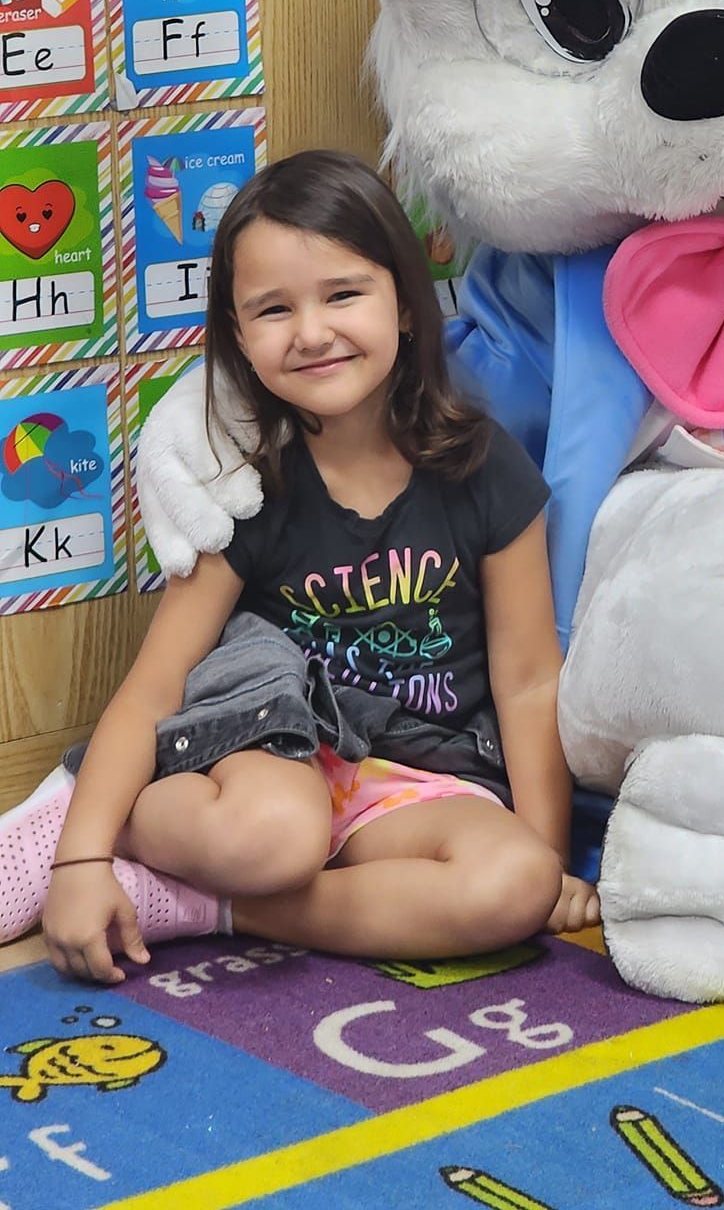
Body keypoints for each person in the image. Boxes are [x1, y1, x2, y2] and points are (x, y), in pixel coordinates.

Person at [0, 150, 598, 985]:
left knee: (513, 886)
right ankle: (93, 818)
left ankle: (200, 904)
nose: (312, 332)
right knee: (276, 838)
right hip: (269, 755)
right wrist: (79, 862)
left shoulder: (484, 468)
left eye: (344, 294)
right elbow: (154, 689)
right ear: (239, 339)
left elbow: (531, 678)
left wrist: (550, 856)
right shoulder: (245, 482)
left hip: (419, 780)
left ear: (408, 306)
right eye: (273, 310)